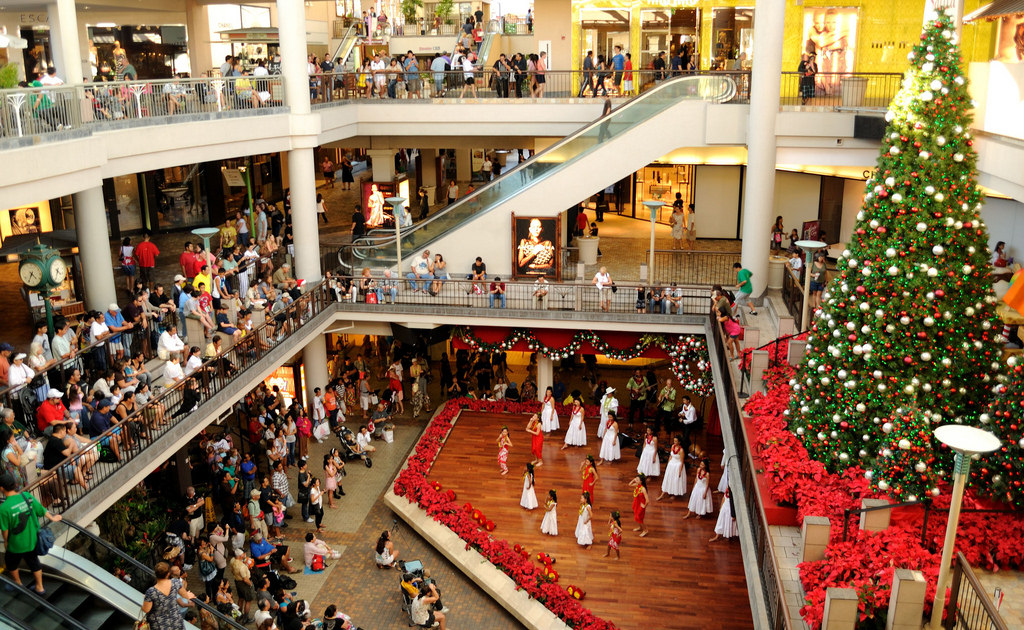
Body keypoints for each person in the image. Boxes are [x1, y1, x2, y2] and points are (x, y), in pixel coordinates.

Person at [0, 471, 64, 594]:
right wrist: (53, 518)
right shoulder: (26, 496)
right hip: (32, 539)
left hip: (16, 544)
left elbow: (5, 530)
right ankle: (40, 587)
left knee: (11, 564)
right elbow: (41, 509)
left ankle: (18, 584)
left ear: (2, 488)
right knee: (34, 562)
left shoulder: (3, 508)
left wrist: (6, 542)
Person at [658, 436, 688, 500]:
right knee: (668, 479)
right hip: (671, 465)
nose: (674, 442)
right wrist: (668, 465)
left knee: (675, 480)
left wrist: (680, 471)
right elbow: (671, 456)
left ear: (679, 442)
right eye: (674, 441)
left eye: (676, 441)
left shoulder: (681, 450)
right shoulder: (672, 446)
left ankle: (675, 493)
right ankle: (663, 494)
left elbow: (682, 462)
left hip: (677, 466)